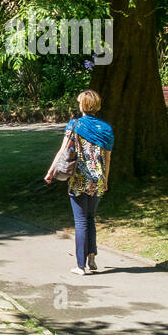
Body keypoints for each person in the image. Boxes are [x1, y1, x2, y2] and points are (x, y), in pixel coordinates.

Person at [44, 89, 114, 275]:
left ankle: (80, 265)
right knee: (90, 218)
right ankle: (92, 257)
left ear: (83, 105)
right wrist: (105, 180)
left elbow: (62, 152)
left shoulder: (74, 125)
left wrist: (51, 171)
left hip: (79, 179)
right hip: (98, 178)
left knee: (81, 220)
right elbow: (107, 159)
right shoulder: (106, 129)